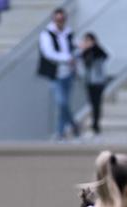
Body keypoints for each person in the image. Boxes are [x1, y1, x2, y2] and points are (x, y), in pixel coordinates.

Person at [38, 7, 79, 141]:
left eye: (62, 19)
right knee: (61, 102)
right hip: (55, 74)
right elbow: (48, 53)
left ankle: (60, 133)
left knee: (65, 103)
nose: (60, 22)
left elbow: (73, 46)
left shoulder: (68, 33)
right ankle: (74, 125)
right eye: (58, 19)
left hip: (68, 73)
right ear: (53, 19)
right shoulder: (46, 34)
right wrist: (67, 58)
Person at [78, 32, 108, 137]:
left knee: (97, 103)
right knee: (92, 103)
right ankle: (94, 124)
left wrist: (92, 47)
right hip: (89, 81)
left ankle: (96, 124)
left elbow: (104, 56)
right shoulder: (84, 53)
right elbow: (83, 62)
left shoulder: (98, 51)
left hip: (98, 81)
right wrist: (84, 49)